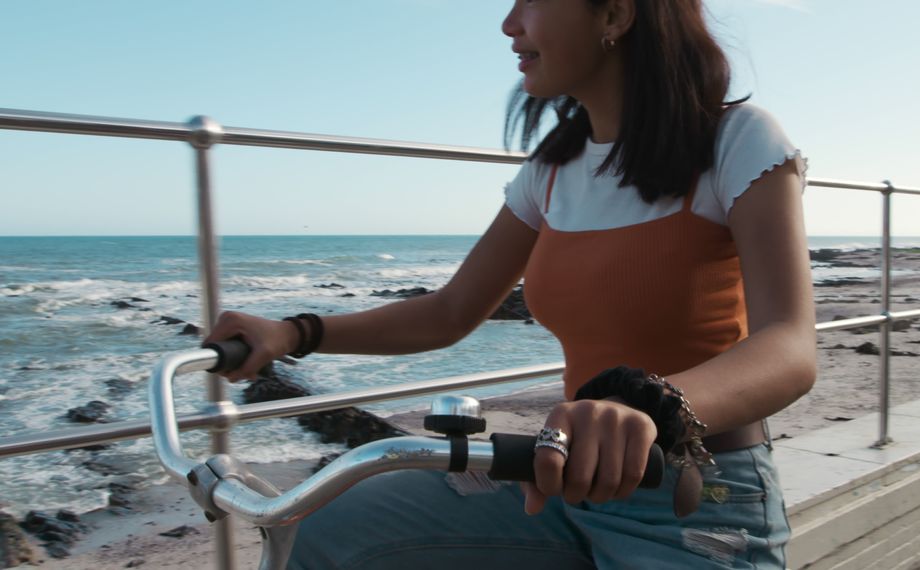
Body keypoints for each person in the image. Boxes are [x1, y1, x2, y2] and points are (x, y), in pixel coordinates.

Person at [205, 0, 816, 567]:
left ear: (615, 12)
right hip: (558, 484)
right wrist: (293, 332)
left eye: (532, 0)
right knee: (321, 530)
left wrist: (653, 407)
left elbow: (789, 346)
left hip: (695, 491)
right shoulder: (551, 172)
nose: (509, 23)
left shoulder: (737, 139)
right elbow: (449, 312)